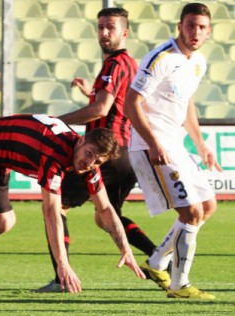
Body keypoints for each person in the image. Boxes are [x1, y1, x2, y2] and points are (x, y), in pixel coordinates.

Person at [0, 114, 146, 302]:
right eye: (89, 154)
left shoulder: (85, 162)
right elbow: (51, 211)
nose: (89, 163)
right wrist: (62, 265)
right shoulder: (56, 154)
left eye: (97, 161)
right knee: (1, 222)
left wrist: (125, 248)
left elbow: (105, 209)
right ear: (82, 140)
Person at [33, 7, 157, 293]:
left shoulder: (115, 64)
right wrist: (89, 91)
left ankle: (61, 278)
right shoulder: (130, 64)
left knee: (57, 206)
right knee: (107, 216)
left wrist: (55, 121)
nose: (103, 33)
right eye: (100, 26)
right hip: (126, 154)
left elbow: (101, 109)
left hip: (104, 152)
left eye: (110, 27)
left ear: (125, 32)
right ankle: (158, 254)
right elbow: (116, 103)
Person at [124, 3, 220, 300]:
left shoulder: (198, 62)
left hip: (176, 143)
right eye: (191, 25)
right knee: (190, 213)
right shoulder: (162, 58)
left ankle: (156, 262)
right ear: (180, 26)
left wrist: (201, 144)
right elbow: (131, 104)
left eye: (202, 27)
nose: (196, 32)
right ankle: (179, 284)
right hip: (151, 144)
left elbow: (185, 102)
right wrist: (153, 143)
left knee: (208, 207)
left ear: (208, 31)